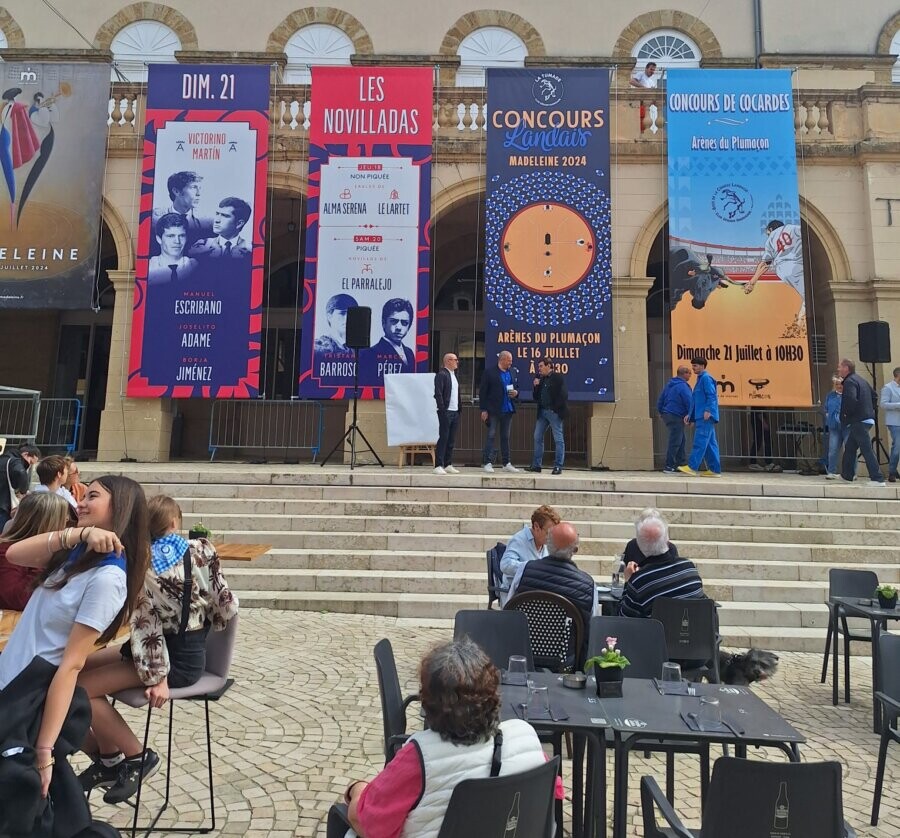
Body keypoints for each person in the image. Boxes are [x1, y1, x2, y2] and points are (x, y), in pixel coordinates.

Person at [76, 494, 238, 803]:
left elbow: (145, 627)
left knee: (80, 689)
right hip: (178, 654)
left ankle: (136, 757)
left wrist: (158, 677)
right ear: (175, 522)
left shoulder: (142, 562)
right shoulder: (201, 549)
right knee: (78, 665)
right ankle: (108, 760)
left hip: (165, 659)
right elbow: (227, 605)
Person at [0, 475, 150, 800]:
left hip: (27, 696)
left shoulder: (108, 577)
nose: (80, 502)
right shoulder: (78, 553)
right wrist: (78, 533)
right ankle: (108, 759)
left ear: (120, 507)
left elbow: (71, 664)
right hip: (11, 678)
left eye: (92, 496)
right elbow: (14, 554)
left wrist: (45, 749)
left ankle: (115, 758)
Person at [340, 638, 558, 838]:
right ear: (493, 694)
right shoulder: (525, 737)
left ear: (428, 701)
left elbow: (369, 824)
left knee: (340, 819)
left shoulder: (419, 756)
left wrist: (356, 789)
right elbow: (555, 792)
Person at [507, 523, 597, 658]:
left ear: (547, 545)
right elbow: (592, 630)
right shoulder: (588, 585)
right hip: (565, 662)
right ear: (575, 550)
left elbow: (508, 610)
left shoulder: (524, 570)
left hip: (521, 656)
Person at [618, 513, 705, 620]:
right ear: (668, 540)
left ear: (639, 546)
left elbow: (624, 619)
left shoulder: (639, 582)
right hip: (693, 629)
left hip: (656, 631)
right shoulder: (689, 568)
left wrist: (628, 582)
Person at [0, 491, 69, 610]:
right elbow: (15, 599)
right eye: (63, 519)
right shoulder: (7, 550)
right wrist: (43, 560)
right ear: (48, 523)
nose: (66, 524)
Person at [743, 220, 806, 330]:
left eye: (767, 231)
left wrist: (752, 282)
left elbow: (765, 264)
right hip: (796, 267)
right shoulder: (792, 228)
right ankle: (799, 325)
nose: (768, 234)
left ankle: (799, 324)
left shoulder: (770, 239)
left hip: (782, 269)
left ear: (771, 229)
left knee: (807, 295)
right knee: (808, 296)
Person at [498, 504, 561, 604]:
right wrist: (531, 568)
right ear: (536, 526)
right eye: (548, 533)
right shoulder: (519, 540)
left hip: (537, 593)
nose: (551, 537)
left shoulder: (546, 544)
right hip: (516, 596)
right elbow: (505, 565)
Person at [839, 358, 884, 486]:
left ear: (846, 368)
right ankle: (847, 475)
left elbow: (851, 399)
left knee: (866, 449)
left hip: (858, 420)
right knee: (850, 447)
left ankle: (877, 478)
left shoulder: (849, 382)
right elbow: (874, 395)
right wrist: (870, 410)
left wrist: (846, 416)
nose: (838, 369)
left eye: (840, 367)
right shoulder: (861, 380)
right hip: (866, 419)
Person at [678, 356, 721, 477]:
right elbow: (697, 400)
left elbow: (711, 395)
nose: (693, 368)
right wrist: (690, 415)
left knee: (700, 441)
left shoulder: (705, 378)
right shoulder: (701, 379)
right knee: (710, 444)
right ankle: (714, 470)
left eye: (695, 366)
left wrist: (708, 410)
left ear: (702, 366)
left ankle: (692, 467)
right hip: (702, 415)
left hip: (705, 416)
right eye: (693, 366)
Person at [479, 350, 520, 473]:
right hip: (494, 410)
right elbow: (483, 392)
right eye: (509, 361)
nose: (511, 363)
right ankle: (487, 462)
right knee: (491, 435)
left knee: (505, 437)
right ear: (502, 360)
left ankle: (506, 463)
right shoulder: (489, 373)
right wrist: (484, 409)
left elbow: (516, 387)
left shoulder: (512, 372)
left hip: (508, 409)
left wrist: (516, 393)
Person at [150, 171, 212, 250]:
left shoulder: (207, 222)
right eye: (193, 187)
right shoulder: (154, 220)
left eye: (199, 188)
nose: (199, 193)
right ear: (176, 191)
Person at [527, 358, 568, 475]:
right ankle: (536, 465)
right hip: (542, 412)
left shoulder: (557, 377)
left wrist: (556, 409)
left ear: (548, 366)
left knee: (558, 439)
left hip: (553, 412)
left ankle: (558, 466)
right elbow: (536, 397)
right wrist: (536, 386)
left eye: (541, 366)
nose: (539, 369)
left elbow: (563, 395)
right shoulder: (541, 379)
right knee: (537, 436)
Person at [359, 298, 416, 380]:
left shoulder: (409, 353)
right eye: (394, 321)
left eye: (404, 323)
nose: (399, 327)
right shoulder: (369, 354)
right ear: (384, 323)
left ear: (409, 326)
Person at [188, 197, 252, 262]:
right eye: (217, 214)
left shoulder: (251, 250)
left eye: (225, 216)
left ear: (239, 224)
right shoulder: (201, 245)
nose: (217, 220)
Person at [657, 365, 692, 473]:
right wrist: (691, 416)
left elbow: (661, 399)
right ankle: (669, 465)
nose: (690, 375)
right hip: (676, 415)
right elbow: (689, 401)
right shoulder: (683, 386)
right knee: (675, 441)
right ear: (684, 374)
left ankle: (681, 464)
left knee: (681, 440)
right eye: (689, 373)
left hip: (668, 414)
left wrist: (661, 412)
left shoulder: (669, 385)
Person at [147, 212, 198, 285]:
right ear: (159, 239)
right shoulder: (148, 267)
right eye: (170, 236)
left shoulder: (194, 266)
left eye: (181, 236)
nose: (177, 241)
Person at [0, 443, 41, 530]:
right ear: (25, 454)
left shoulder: (4, 458)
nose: (29, 466)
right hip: (3, 507)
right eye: (30, 462)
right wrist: (23, 490)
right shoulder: (16, 462)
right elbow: (20, 472)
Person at [433, 352, 461, 475]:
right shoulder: (441, 374)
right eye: (455, 359)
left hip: (455, 411)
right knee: (443, 438)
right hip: (446, 411)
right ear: (448, 361)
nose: (457, 362)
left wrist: (459, 408)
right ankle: (438, 465)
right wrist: (442, 409)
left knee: (451, 439)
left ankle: (448, 463)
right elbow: (438, 393)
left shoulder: (454, 375)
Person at [823, 375, 848, 480]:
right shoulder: (830, 395)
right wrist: (828, 416)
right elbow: (826, 408)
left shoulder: (848, 395)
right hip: (834, 427)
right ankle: (831, 471)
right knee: (833, 450)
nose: (839, 386)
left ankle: (851, 472)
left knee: (849, 449)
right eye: (837, 384)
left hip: (847, 426)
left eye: (841, 384)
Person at [880, 366, 900, 482]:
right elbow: (883, 404)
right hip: (895, 422)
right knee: (897, 446)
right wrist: (898, 405)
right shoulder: (888, 388)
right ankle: (892, 472)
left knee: (896, 446)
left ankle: (893, 470)